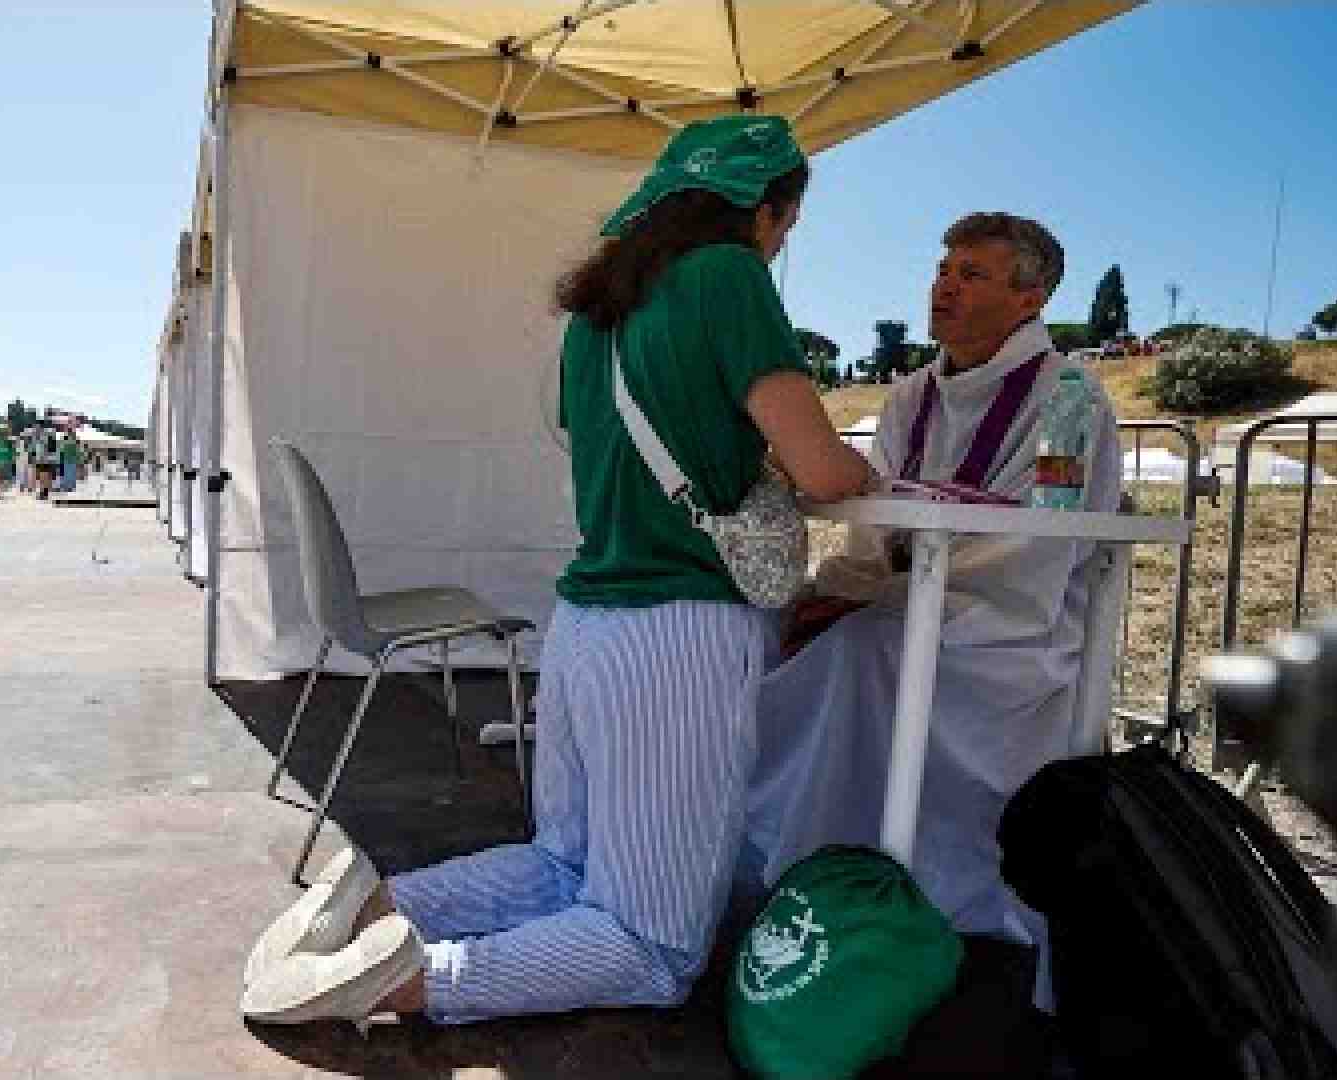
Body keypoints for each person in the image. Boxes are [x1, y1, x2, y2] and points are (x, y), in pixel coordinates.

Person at [239, 117, 877, 1028]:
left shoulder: (597, 314)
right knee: (652, 945)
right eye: (785, 224)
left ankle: (382, 908)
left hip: (585, 627)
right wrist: (865, 471)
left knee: (563, 864)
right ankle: (408, 982)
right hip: (681, 633)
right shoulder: (729, 275)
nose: (780, 245)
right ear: (761, 210)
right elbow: (821, 472)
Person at [742, 213, 1122, 1004]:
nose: (944, 285)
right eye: (944, 267)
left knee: (860, 649)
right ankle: (799, 863)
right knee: (780, 642)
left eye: (973, 273)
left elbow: (1041, 540)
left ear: (1031, 298)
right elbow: (874, 520)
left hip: (1013, 626)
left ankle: (834, 872)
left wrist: (877, 598)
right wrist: (838, 590)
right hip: (906, 601)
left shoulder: (1071, 402)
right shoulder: (912, 393)